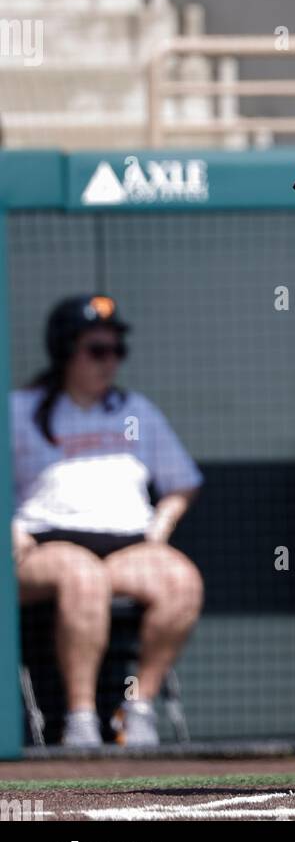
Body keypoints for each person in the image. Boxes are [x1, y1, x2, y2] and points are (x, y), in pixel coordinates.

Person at [12, 294, 204, 747]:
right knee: (83, 576)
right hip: (43, 547)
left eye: (117, 350)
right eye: (97, 350)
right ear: (64, 351)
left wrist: (159, 530)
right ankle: (81, 721)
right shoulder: (18, 409)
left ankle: (135, 710)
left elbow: (182, 482)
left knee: (182, 580)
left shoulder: (134, 410)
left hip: (127, 544)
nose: (109, 362)